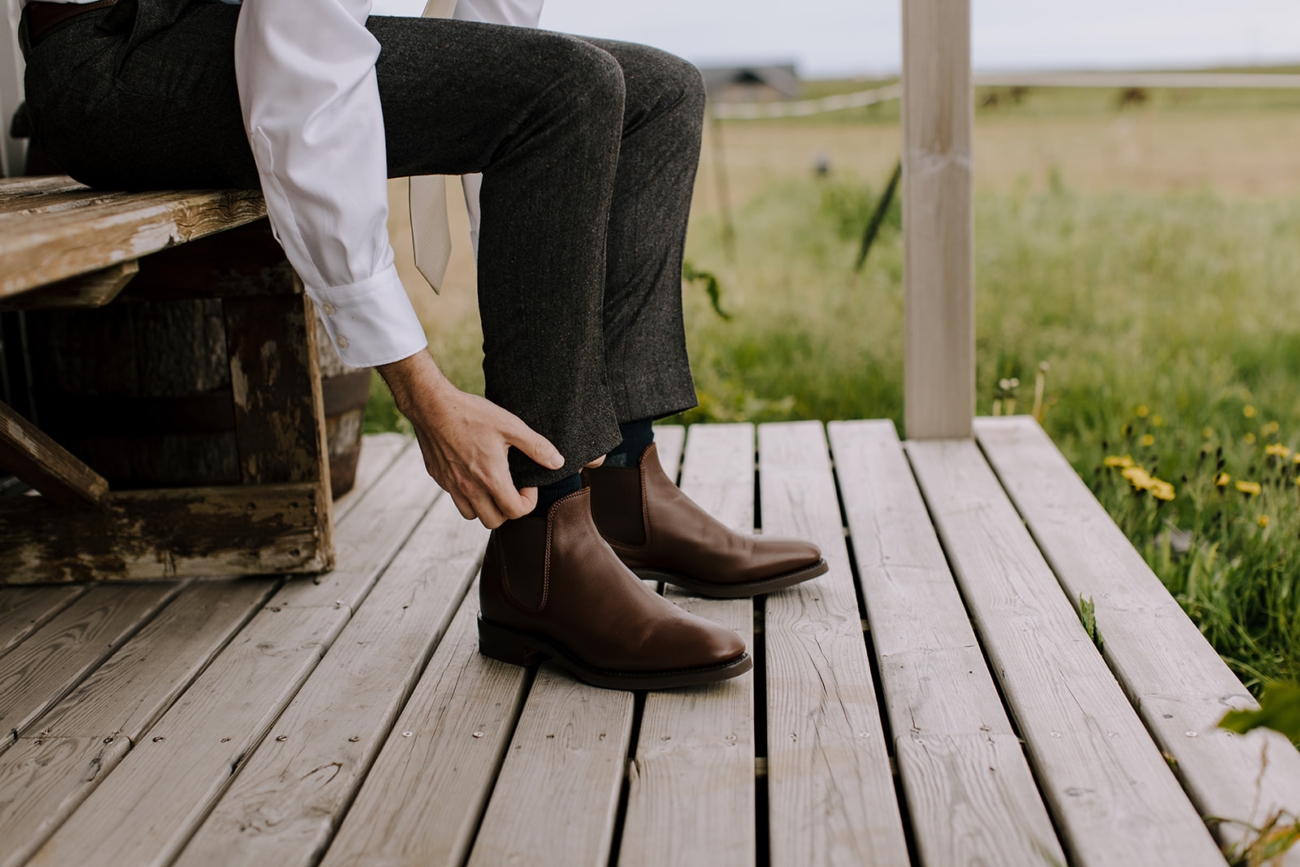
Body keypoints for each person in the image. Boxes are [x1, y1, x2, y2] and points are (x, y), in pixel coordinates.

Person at [18, 0, 828, 689]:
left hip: (231, 29)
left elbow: (504, 33)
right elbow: (305, 84)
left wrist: (546, 295)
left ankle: (621, 483)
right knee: (569, 89)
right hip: (117, 58)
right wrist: (417, 384)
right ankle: (541, 546)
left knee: (656, 92)